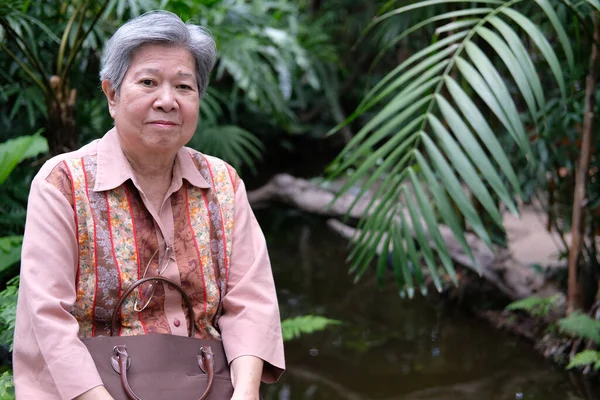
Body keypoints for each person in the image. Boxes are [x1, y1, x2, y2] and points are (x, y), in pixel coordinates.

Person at [12, 10, 285, 400]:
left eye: (184, 87)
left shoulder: (223, 183)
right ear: (111, 93)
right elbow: (47, 319)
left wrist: (245, 392)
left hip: (207, 386)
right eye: (148, 82)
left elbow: (251, 302)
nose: (167, 101)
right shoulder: (63, 183)